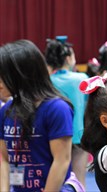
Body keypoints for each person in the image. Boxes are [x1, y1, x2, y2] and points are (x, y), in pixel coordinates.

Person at [0, 40, 74, 192]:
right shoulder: (5, 111)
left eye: (3, 76)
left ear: (20, 74)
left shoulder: (56, 109)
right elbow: (6, 161)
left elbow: (61, 161)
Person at [45, 36, 89, 189]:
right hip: (77, 135)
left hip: (53, 136)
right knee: (79, 180)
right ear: (69, 58)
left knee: (55, 178)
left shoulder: (46, 81)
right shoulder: (81, 78)